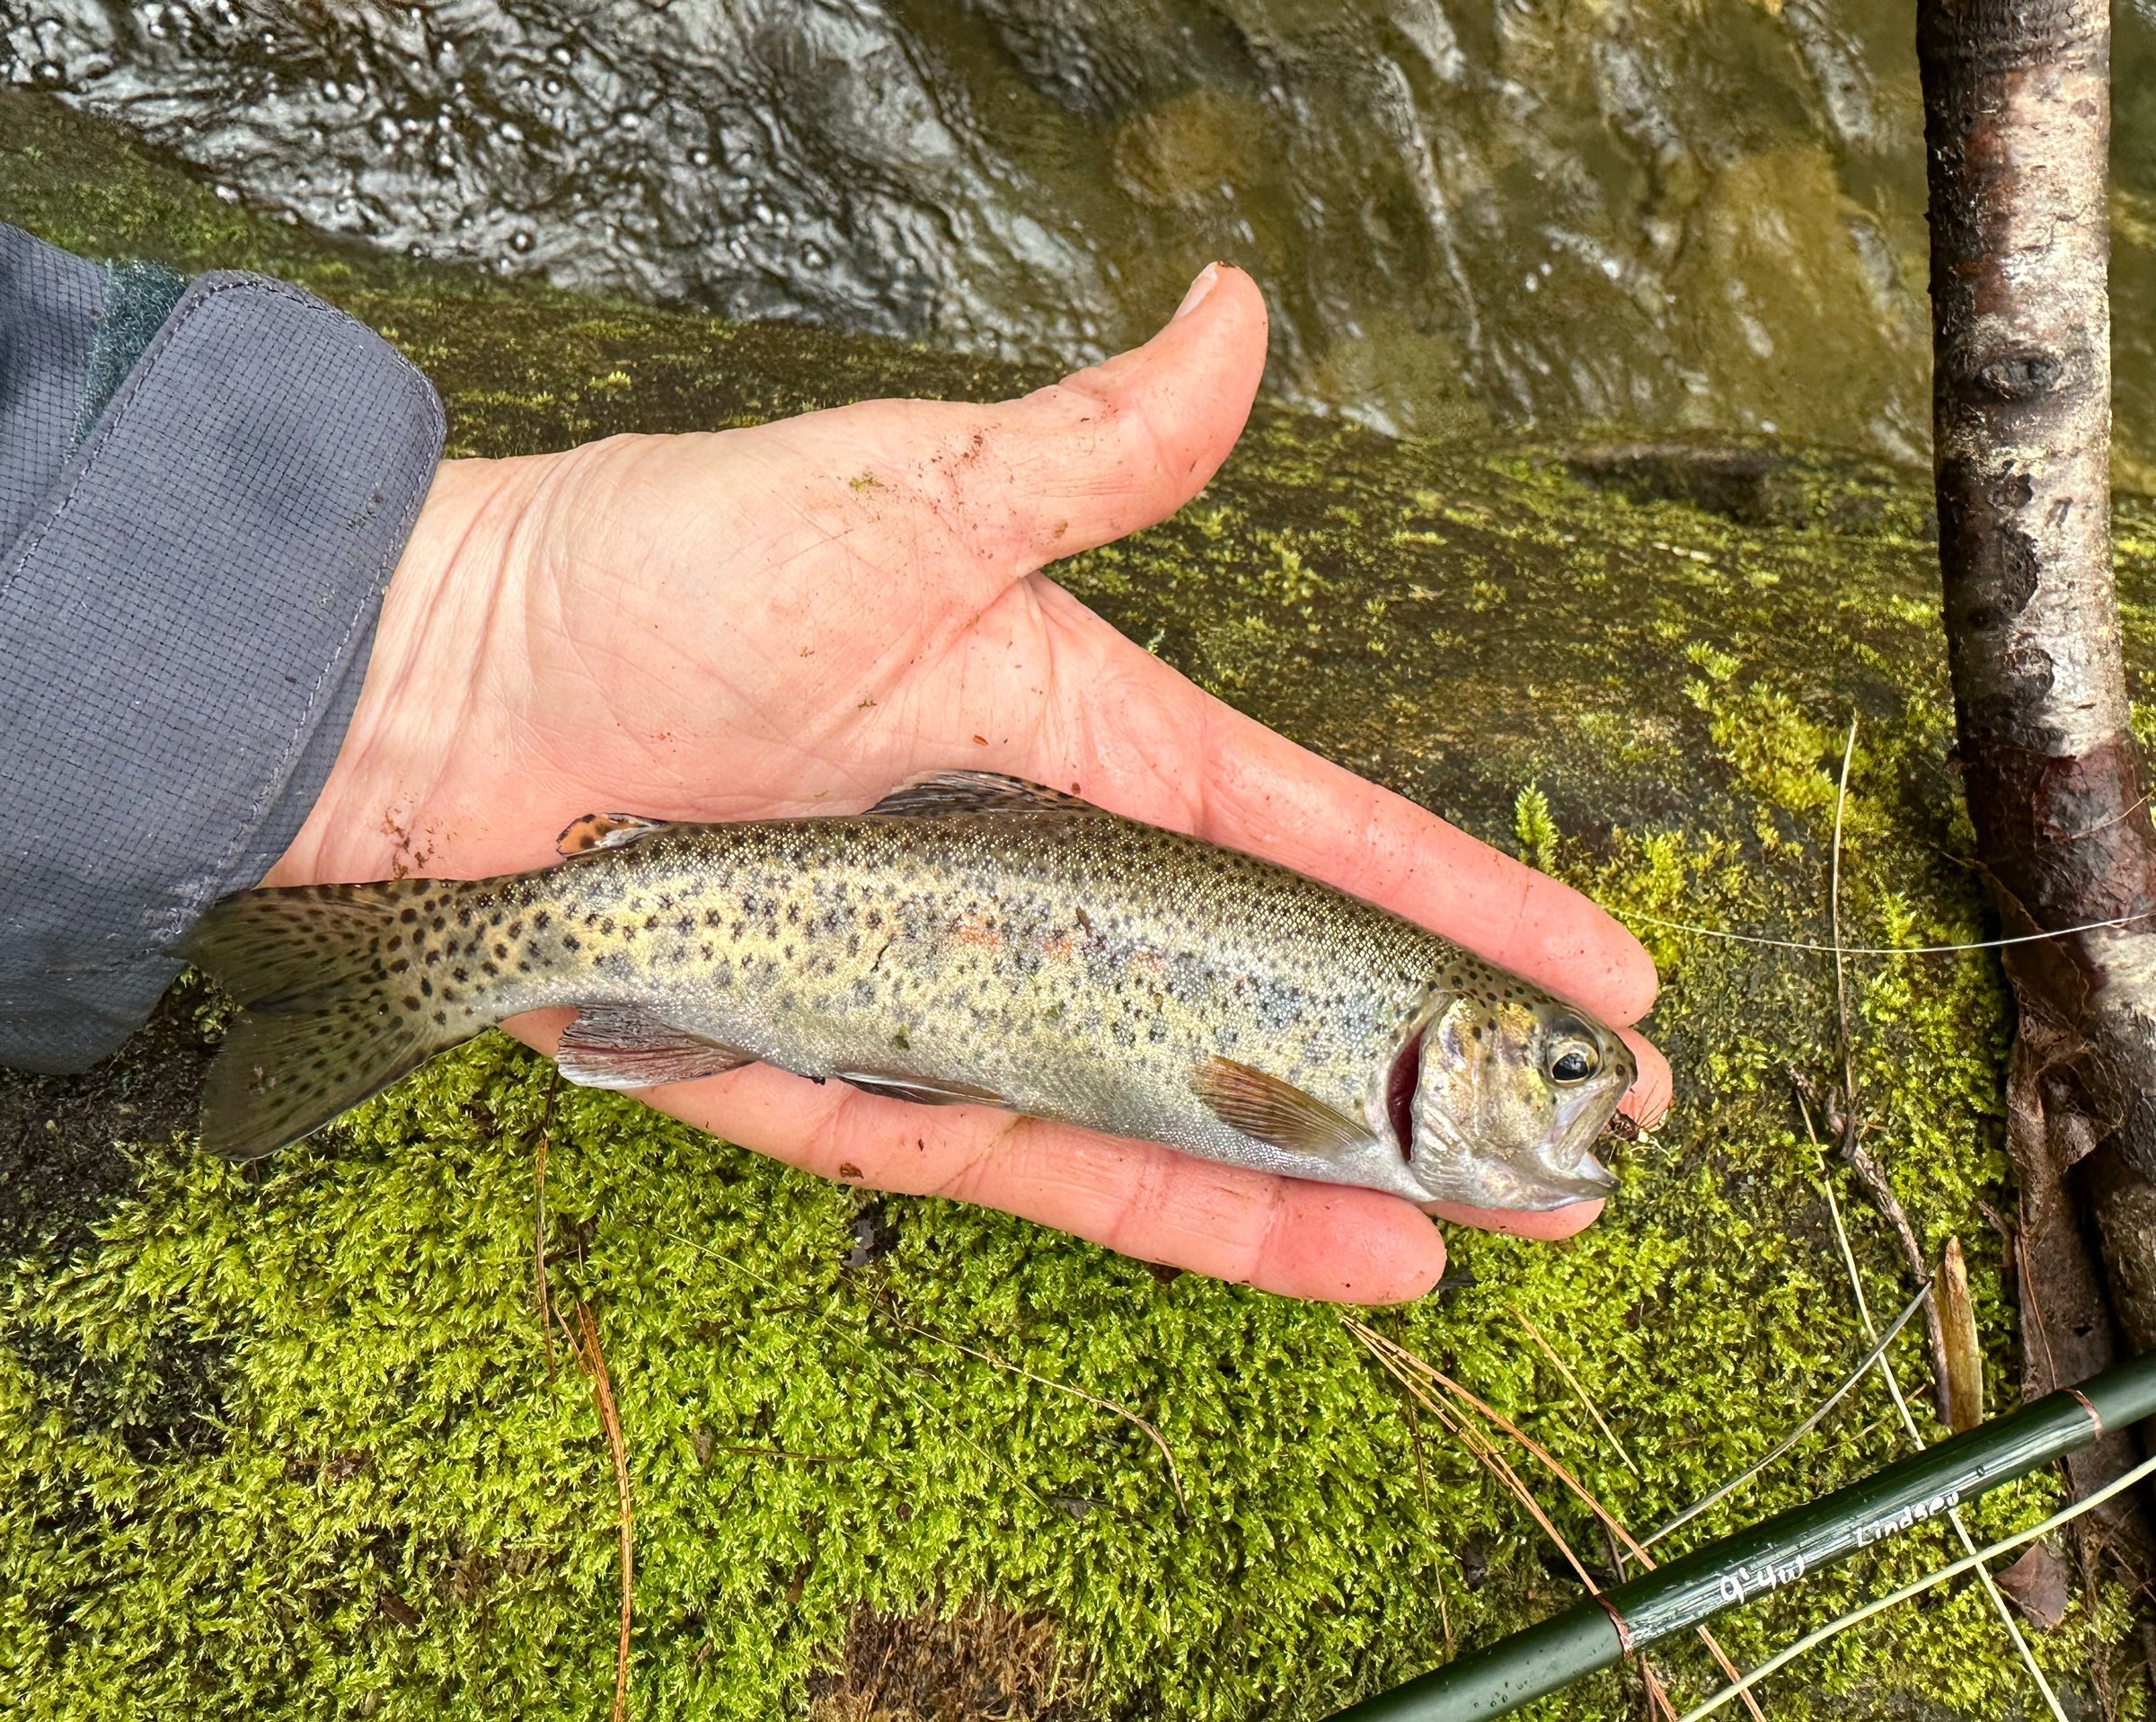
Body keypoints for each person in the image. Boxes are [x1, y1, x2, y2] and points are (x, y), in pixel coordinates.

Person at [1, 226, 1667, 1303]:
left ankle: (400, 955)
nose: (1578, 1102)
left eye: (1562, 1072)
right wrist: (435, 629)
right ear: (1458, 1049)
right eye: (1561, 1071)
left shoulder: (1359, 1082)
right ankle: (407, 968)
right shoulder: (1334, 1099)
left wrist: (407, 631)